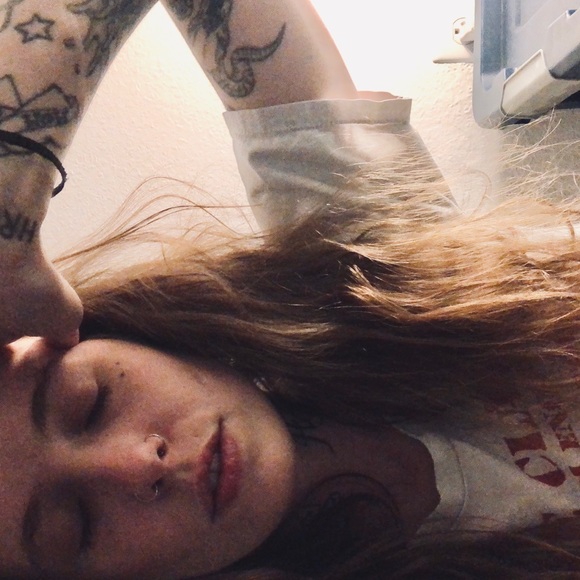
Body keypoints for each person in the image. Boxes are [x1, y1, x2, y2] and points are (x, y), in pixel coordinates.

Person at [2, 1, 580, 579]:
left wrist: (9, 211)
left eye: (90, 400)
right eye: (74, 528)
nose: (136, 464)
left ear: (117, 334)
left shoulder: (353, 269)